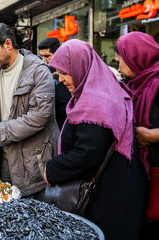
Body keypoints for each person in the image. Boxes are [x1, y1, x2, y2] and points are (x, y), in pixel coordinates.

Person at [43, 39, 148, 240]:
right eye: (59, 74)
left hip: (114, 196)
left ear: (81, 67)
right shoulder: (98, 91)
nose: (61, 80)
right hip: (116, 186)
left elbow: (88, 154)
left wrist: (53, 169)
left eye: (65, 73)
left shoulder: (97, 102)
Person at [0, 22, 59, 197]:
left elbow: (40, 116)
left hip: (35, 166)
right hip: (4, 164)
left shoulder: (38, 72)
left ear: (8, 44)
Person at [117, 31, 159, 239]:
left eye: (122, 59)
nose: (118, 65)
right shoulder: (136, 84)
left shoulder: (157, 82)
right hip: (145, 171)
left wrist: (150, 135)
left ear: (136, 57)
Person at [38, 38, 71, 129]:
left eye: (47, 56)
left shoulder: (69, 67)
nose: (44, 59)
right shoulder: (44, 69)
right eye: (42, 56)